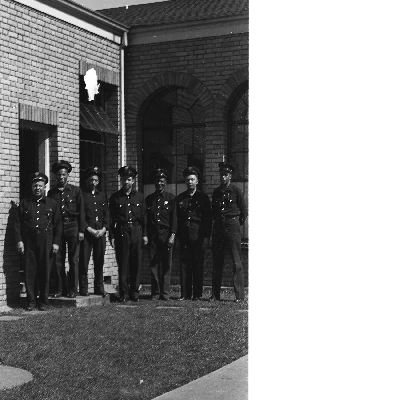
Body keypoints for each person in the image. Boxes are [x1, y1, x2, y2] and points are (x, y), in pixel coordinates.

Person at [15, 172, 61, 311]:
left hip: (46, 241)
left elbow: (58, 225)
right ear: (31, 187)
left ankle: (44, 302)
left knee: (44, 272)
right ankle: (31, 302)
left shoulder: (52, 203)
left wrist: (56, 243)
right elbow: (18, 224)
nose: (37, 188)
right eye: (35, 185)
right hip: (29, 242)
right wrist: (19, 241)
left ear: (45, 187)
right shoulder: (24, 203)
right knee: (30, 272)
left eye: (40, 185)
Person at [48, 160, 85, 298]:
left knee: (73, 260)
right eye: (58, 175)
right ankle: (59, 288)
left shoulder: (75, 191)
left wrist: (81, 230)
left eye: (63, 174)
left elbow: (81, 211)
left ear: (68, 175)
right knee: (58, 260)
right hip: (58, 229)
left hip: (72, 227)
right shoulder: (52, 193)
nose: (61, 177)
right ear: (55, 176)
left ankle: (72, 289)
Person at [211, 162, 247, 302]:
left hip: (232, 226)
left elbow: (244, 211)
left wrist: (236, 223)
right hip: (219, 227)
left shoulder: (236, 191)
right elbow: (214, 211)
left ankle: (239, 296)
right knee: (217, 261)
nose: (223, 177)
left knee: (236, 261)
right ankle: (215, 295)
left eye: (225, 175)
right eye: (221, 175)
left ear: (230, 176)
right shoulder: (216, 192)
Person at [109, 166, 147, 302]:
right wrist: (112, 236)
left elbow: (144, 217)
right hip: (122, 231)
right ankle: (124, 293)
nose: (126, 182)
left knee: (136, 263)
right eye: (124, 179)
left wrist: (145, 235)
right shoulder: (115, 197)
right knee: (123, 262)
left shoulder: (140, 197)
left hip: (137, 231)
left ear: (133, 181)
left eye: (129, 179)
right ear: (121, 180)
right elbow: (111, 219)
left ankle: (135, 292)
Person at [176, 166, 212, 300]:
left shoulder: (203, 198)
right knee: (184, 265)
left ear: (197, 181)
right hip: (184, 235)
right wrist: (178, 237)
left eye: (192, 179)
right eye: (187, 180)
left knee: (197, 265)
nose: (190, 182)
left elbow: (208, 220)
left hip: (198, 235)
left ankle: (197, 294)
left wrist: (206, 238)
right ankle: (185, 294)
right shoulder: (180, 198)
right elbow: (177, 220)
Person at [145, 168, 177, 300]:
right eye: (157, 181)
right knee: (154, 264)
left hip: (166, 235)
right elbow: (146, 219)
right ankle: (155, 292)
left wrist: (173, 235)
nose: (159, 184)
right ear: (154, 183)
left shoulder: (171, 198)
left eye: (162, 181)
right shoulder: (149, 199)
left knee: (166, 264)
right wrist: (146, 235)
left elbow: (174, 218)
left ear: (166, 183)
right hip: (153, 235)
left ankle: (165, 293)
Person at [78, 167, 109, 296]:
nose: (93, 182)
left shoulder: (102, 196)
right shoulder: (82, 195)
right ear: (87, 181)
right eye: (91, 180)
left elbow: (107, 215)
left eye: (95, 180)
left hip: (100, 233)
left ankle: (99, 287)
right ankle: (84, 288)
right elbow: (81, 215)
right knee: (84, 261)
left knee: (99, 261)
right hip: (87, 233)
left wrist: (104, 229)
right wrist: (88, 228)